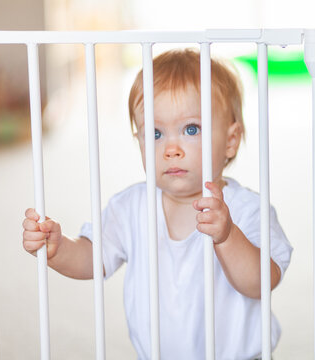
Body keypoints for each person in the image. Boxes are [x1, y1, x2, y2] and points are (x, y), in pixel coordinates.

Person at [21, 48, 293, 359]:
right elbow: (93, 257)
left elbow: (262, 282)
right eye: (155, 133)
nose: (171, 149)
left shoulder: (247, 210)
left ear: (231, 140)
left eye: (191, 129)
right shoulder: (130, 207)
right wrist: (57, 248)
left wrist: (228, 236)